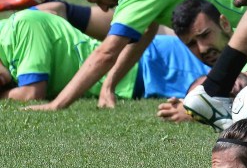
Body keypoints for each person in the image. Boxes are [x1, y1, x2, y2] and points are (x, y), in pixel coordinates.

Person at [23, 0, 244, 111]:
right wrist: (109, 84)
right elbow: (147, 30)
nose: (103, 8)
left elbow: (106, 52)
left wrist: (57, 104)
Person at [1, 9, 207, 102]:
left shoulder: (21, 26)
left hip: (153, 64)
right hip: (144, 77)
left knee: (223, 86)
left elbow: (31, 94)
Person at [156, 0, 247, 123]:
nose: (202, 49)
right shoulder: (225, 73)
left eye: (205, 35)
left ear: (224, 24)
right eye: (191, 44)